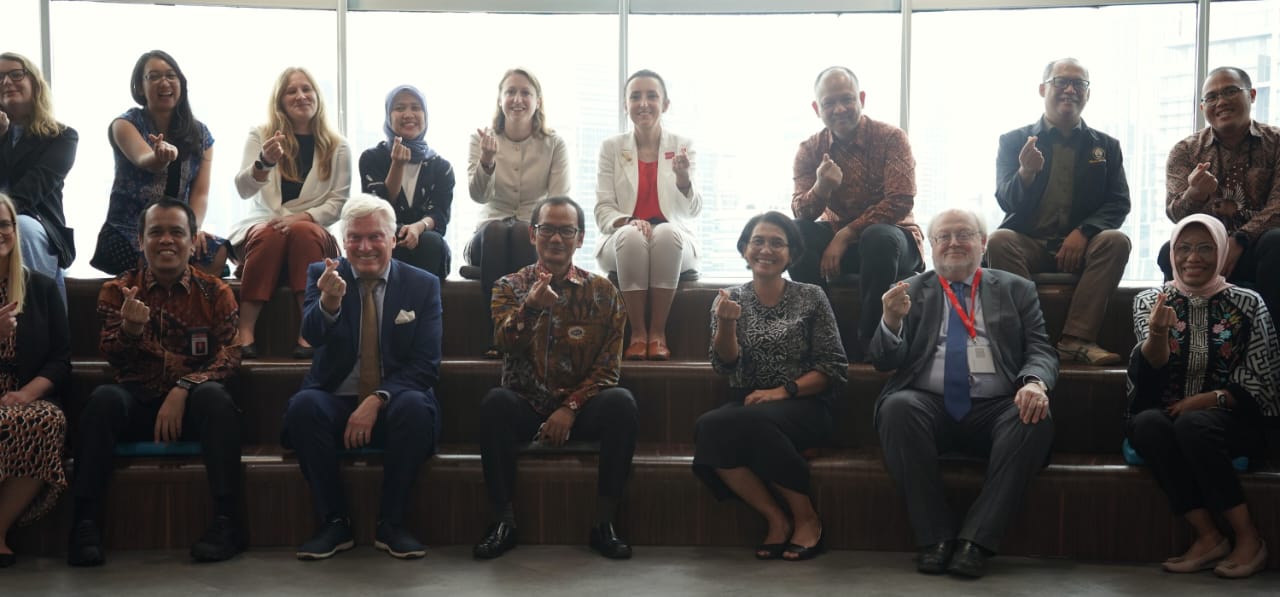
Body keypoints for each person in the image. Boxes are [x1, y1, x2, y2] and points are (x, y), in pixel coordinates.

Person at [870, 208, 1057, 578]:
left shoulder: (1016, 289)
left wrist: (1034, 382)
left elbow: (1041, 350)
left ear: (982, 243)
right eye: (944, 236)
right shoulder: (910, 290)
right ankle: (934, 538)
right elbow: (883, 361)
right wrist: (891, 321)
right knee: (897, 408)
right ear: (932, 245)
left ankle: (976, 542)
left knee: (1033, 416)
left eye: (964, 234)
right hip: (928, 406)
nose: (953, 243)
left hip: (996, 407)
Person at [69, 198, 243, 566]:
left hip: (193, 405)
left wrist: (184, 388)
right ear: (140, 240)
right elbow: (112, 355)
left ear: (192, 241)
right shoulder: (118, 290)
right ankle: (84, 523)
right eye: (156, 232)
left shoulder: (215, 292)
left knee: (216, 400)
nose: (166, 240)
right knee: (102, 401)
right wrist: (130, 330)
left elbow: (230, 356)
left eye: (177, 232)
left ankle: (228, 522)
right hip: (136, 400)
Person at [473, 196, 636, 561]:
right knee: (495, 404)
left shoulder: (603, 292)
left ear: (580, 238)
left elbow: (608, 369)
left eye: (566, 231)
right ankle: (502, 522)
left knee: (622, 403)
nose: (556, 239)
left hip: (582, 409)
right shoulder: (508, 286)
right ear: (533, 235)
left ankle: (604, 523)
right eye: (547, 229)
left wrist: (570, 408)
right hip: (525, 405)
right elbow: (504, 343)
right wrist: (530, 308)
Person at [282, 195, 442, 561]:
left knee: (416, 406)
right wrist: (329, 303)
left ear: (392, 240)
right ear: (343, 241)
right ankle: (334, 523)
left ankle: (392, 523)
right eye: (355, 237)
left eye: (375, 237)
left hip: (395, 403)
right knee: (304, 407)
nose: (365, 247)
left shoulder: (423, 285)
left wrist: (377, 399)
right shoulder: (321, 273)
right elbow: (312, 336)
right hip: (335, 398)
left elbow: (426, 365)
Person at [1126, 213, 1278, 579]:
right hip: (1168, 413)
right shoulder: (1151, 301)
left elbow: (1263, 379)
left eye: (1206, 248)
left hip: (1233, 417)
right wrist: (1157, 335)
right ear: (1172, 253)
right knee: (1146, 425)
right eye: (1184, 248)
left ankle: (1249, 538)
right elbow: (1148, 376)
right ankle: (1209, 536)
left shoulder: (1248, 302)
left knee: (1194, 425)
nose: (1193, 258)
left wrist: (1210, 399)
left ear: (1222, 252)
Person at [693, 211, 847, 561]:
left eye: (777, 243)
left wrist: (781, 392)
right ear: (744, 249)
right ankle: (776, 518)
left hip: (806, 403)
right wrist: (726, 324)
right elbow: (724, 365)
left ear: (791, 254)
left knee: (748, 422)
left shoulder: (812, 296)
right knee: (708, 428)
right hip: (749, 402)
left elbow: (833, 367)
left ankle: (807, 518)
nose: (766, 249)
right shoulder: (727, 299)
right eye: (758, 241)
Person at [990, 58, 1132, 365]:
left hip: (1082, 247)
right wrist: (1026, 173)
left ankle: (1076, 339)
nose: (1070, 89)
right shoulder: (1014, 141)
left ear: (1087, 93)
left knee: (1116, 241)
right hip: (1031, 243)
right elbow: (1006, 201)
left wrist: (1084, 232)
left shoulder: (1106, 146)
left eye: (1078, 84)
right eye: (1061, 82)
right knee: (999, 241)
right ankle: (1030, 341)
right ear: (1043, 89)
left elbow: (1119, 202)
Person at [790, 66, 923, 357]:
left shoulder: (891, 138)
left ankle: (870, 340)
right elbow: (801, 211)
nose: (839, 109)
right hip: (839, 246)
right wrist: (821, 188)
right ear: (817, 108)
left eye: (847, 99)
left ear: (861, 98)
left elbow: (901, 200)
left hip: (894, 242)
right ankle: (824, 332)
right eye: (829, 103)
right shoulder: (810, 149)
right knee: (796, 234)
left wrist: (847, 234)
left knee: (878, 237)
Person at [231, 67, 351, 359]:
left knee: (302, 231)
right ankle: (244, 329)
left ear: (317, 96)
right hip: (263, 229)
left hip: (311, 234)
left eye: (306, 89)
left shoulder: (338, 146)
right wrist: (264, 162)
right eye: (291, 91)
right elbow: (243, 189)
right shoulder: (261, 135)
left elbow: (338, 203)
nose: (301, 96)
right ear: (280, 101)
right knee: (272, 232)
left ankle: (308, 329)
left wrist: (302, 217)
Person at [91, 50, 227, 278]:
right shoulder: (124, 124)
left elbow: (200, 194)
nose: (164, 82)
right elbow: (144, 159)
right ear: (139, 87)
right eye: (153, 76)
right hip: (129, 231)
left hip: (177, 230)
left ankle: (183, 299)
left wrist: (193, 230)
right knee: (157, 261)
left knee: (217, 253)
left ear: (181, 83)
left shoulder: (201, 134)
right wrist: (160, 157)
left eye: (171, 75)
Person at [595, 70, 700, 361]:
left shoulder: (682, 146)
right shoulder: (611, 148)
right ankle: (638, 334)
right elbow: (603, 209)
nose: (643, 103)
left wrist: (683, 180)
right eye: (635, 97)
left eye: (652, 96)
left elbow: (692, 211)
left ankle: (658, 333)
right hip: (624, 237)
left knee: (665, 233)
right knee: (632, 237)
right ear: (625, 105)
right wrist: (628, 222)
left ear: (665, 104)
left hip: (674, 239)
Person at [467, 68, 570, 358]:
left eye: (525, 92)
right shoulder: (482, 139)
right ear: (500, 100)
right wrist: (487, 161)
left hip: (532, 233)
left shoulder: (554, 143)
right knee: (497, 230)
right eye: (510, 92)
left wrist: (539, 228)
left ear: (538, 101)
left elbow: (558, 201)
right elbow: (478, 196)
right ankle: (498, 334)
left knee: (525, 231)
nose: (517, 99)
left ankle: (529, 331)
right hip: (487, 238)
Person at [1165, 66, 1280, 314]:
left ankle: (1270, 336)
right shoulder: (1185, 150)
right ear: (1202, 107)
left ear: (1251, 95)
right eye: (1212, 97)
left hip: (1259, 247)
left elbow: (1277, 207)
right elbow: (1175, 214)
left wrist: (1240, 239)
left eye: (1230, 92)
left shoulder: (1276, 142)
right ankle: (1178, 335)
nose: (1221, 102)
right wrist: (1194, 194)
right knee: (1169, 251)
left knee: (1277, 243)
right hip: (1205, 250)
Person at [0, 192, 69, 568]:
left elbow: (60, 359)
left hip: (24, 393)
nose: (0, 232)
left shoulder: (40, 286)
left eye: (4, 224)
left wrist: (27, 393)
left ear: (15, 230)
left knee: (47, 420)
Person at [0, 52, 77, 302]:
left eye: (16, 74)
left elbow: (31, 189)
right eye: (0, 77)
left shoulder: (62, 137)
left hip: (37, 223)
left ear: (34, 83)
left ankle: (33, 313)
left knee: (21, 227)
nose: (6, 82)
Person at [359, 85, 453, 278]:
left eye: (416, 108)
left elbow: (440, 215)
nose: (409, 114)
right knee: (388, 241)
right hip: (385, 238)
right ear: (388, 116)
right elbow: (377, 209)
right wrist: (397, 165)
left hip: (427, 243)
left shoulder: (441, 167)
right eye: (400, 108)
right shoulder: (372, 159)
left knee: (430, 242)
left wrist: (418, 227)